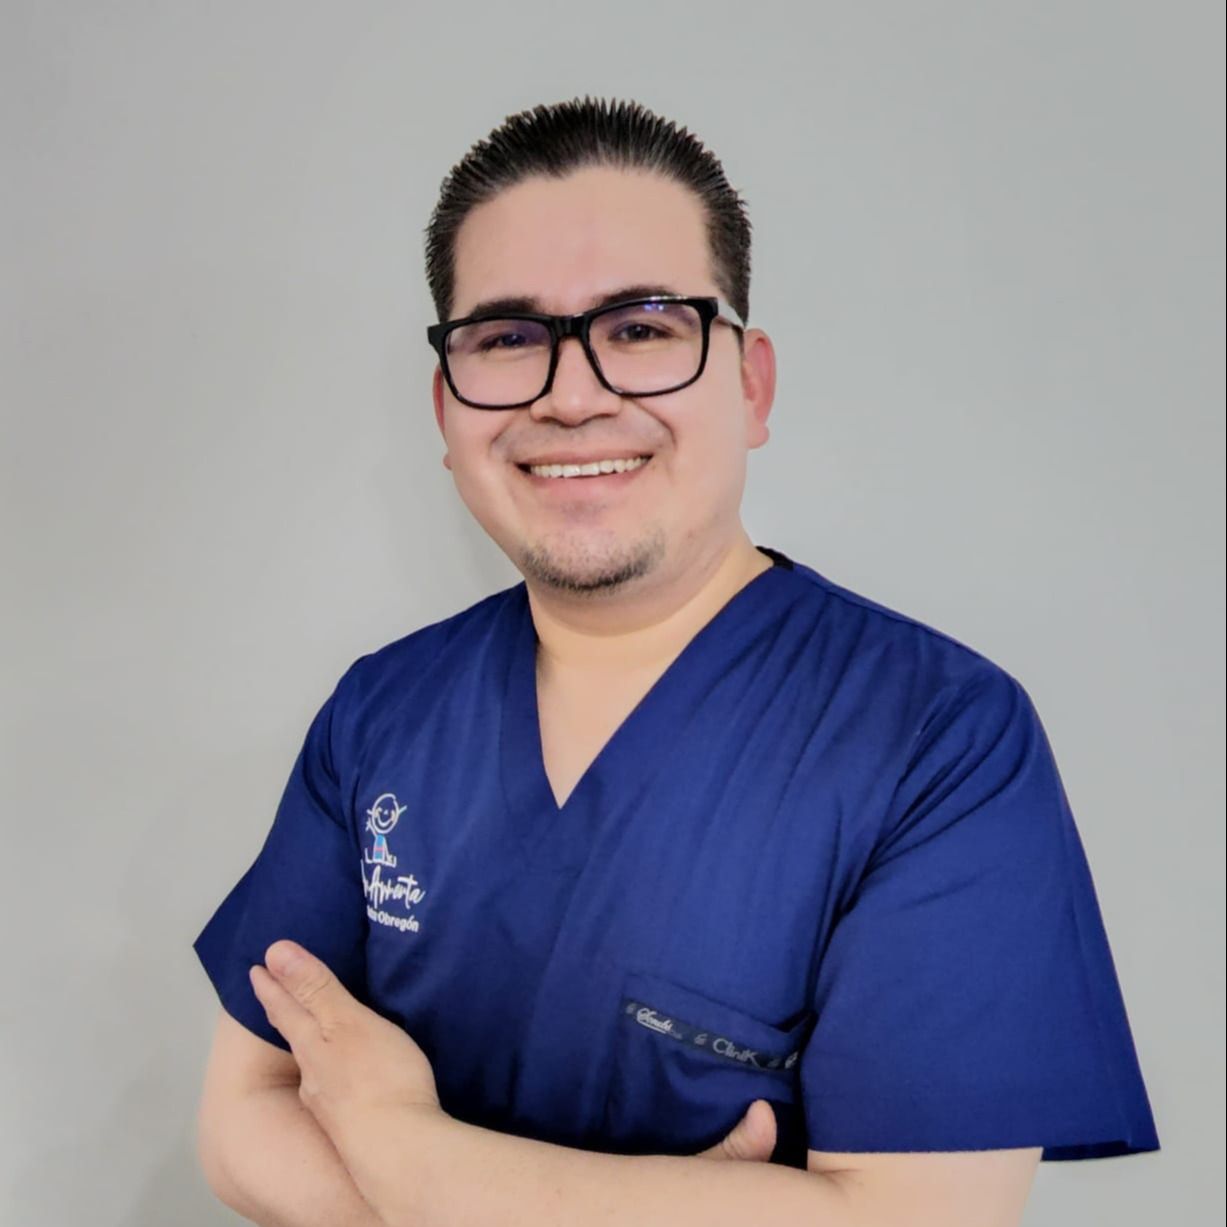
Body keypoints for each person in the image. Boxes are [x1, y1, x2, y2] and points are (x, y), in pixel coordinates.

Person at [192, 97, 1159, 1226]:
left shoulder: (937, 739)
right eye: (507, 339)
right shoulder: (383, 712)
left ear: (750, 385)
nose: (571, 395)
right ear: (447, 406)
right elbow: (241, 1121)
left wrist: (396, 1140)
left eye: (643, 329)